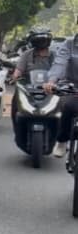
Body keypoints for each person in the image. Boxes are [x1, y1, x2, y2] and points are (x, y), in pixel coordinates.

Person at [43, 24, 78, 158]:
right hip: (71, 85)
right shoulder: (69, 44)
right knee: (68, 106)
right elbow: (59, 63)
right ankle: (62, 141)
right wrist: (52, 81)